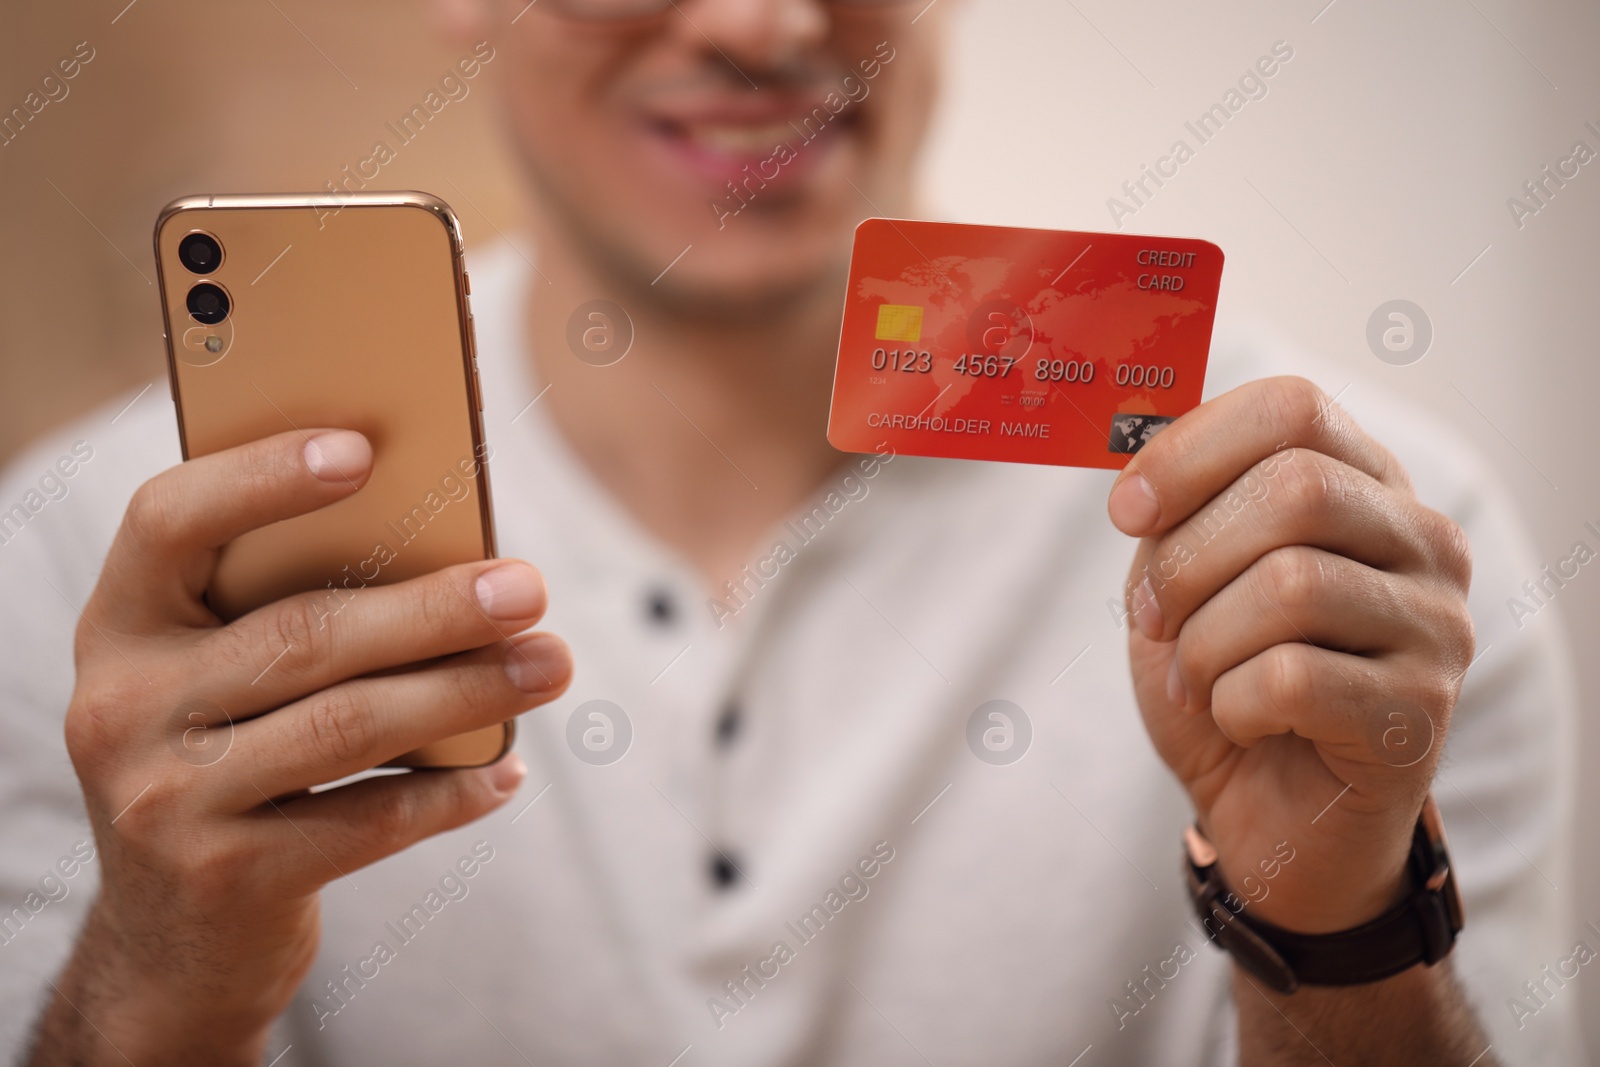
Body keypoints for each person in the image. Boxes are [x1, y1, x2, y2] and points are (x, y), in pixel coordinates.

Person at [0, 0, 1579, 1063]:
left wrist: (1347, 921)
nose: (759, 23)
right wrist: (158, 982)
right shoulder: (85, 565)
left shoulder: (1355, 564)